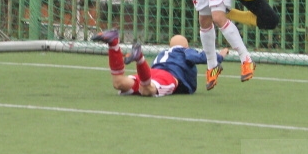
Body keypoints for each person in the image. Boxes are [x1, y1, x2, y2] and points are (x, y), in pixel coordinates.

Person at [91, 29, 223, 96]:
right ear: (186, 46)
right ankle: (140, 58)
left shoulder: (162, 53)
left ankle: (113, 44)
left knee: (119, 83)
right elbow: (201, 57)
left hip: (151, 72)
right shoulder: (185, 51)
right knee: (147, 90)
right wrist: (219, 55)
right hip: (169, 76)